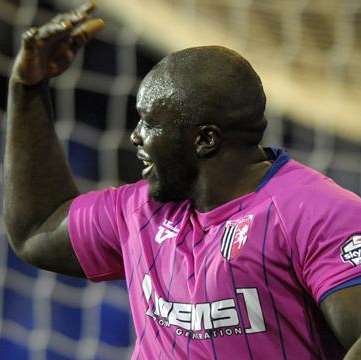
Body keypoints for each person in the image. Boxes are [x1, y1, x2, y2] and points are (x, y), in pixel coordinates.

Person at [4, 2, 361, 359]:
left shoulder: (318, 213)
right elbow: (37, 230)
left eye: (149, 122)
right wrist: (27, 88)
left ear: (205, 140)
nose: (136, 136)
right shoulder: (141, 211)